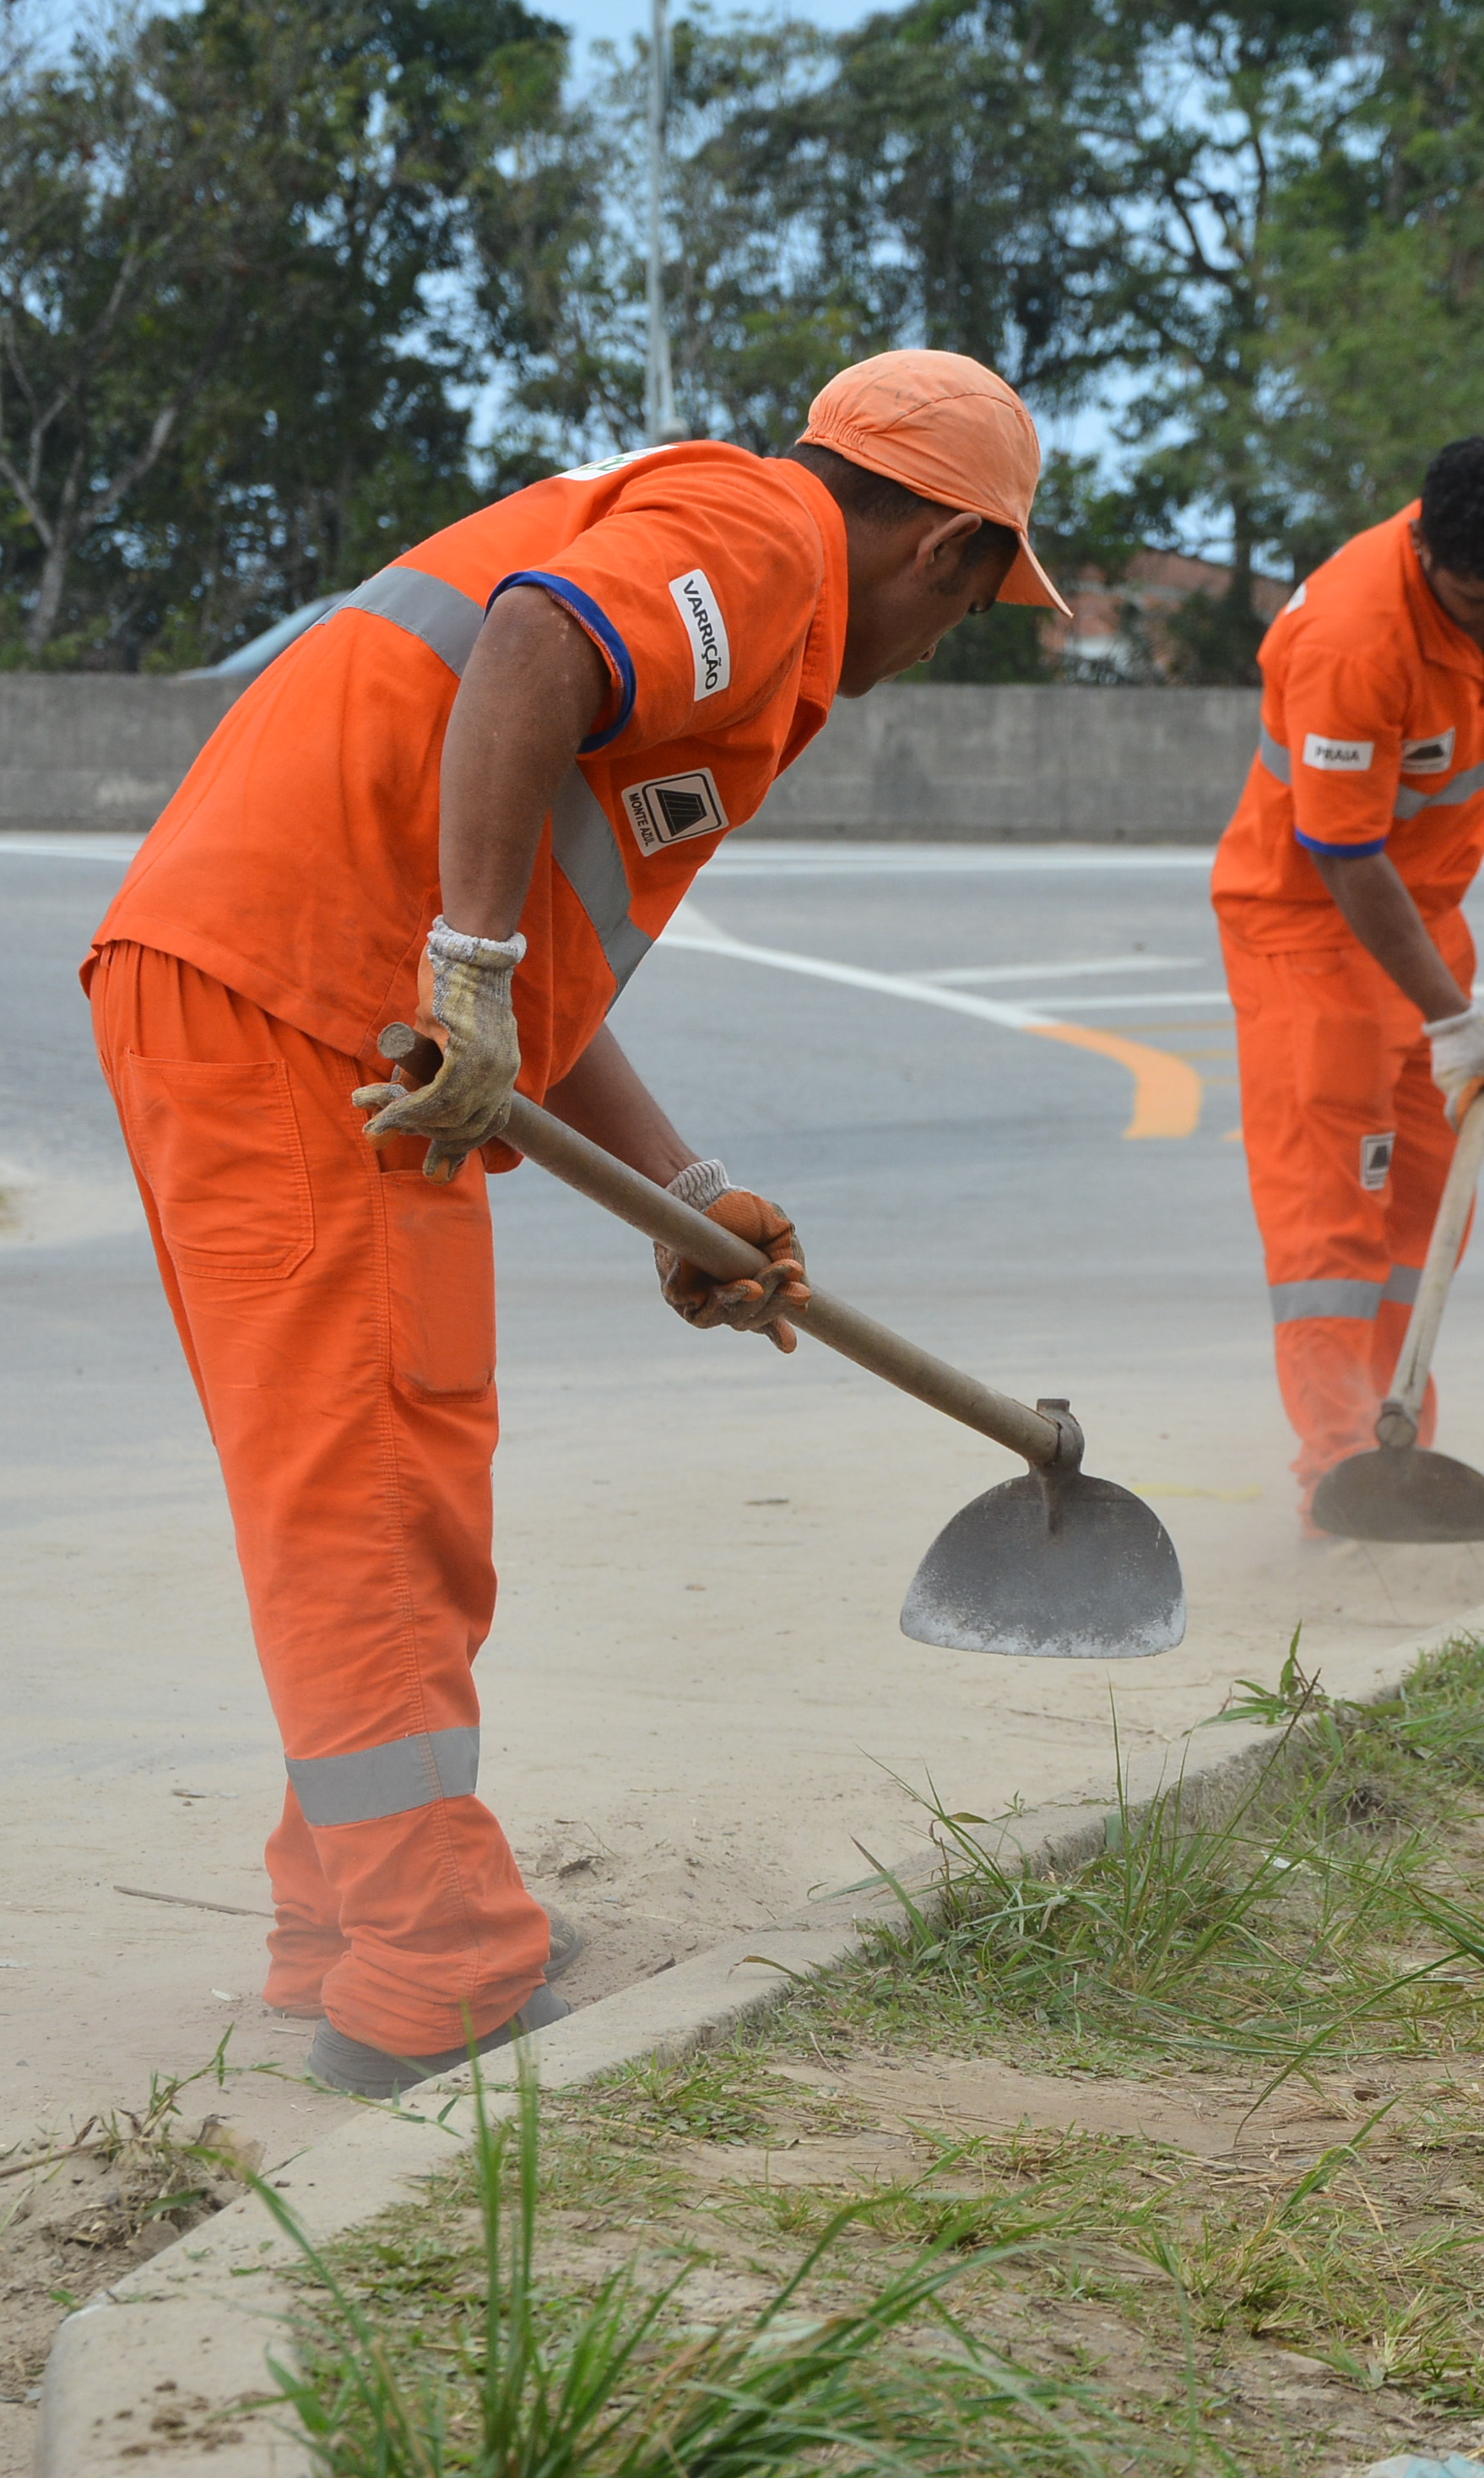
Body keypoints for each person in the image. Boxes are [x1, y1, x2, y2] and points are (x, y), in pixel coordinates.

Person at [81, 351, 1065, 2096]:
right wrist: (460, 974)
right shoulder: (765, 548)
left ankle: (352, 1931)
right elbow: (536, 644)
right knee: (375, 1484)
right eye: (982, 605)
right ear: (948, 555)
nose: (947, 641)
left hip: (298, 989)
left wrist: (680, 1196)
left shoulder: (729, 564)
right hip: (312, 998)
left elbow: (536, 943)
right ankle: (433, 1972)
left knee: (381, 1470)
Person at [1210, 435, 1484, 1516]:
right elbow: (1340, 851)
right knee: (1330, 1220)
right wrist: (1454, 1021)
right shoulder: (1347, 639)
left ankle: (1400, 1440)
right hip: (1304, 929)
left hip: (1422, 915)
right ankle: (1340, 1465)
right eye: (1473, 605)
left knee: (1430, 1201)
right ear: (1420, 544)